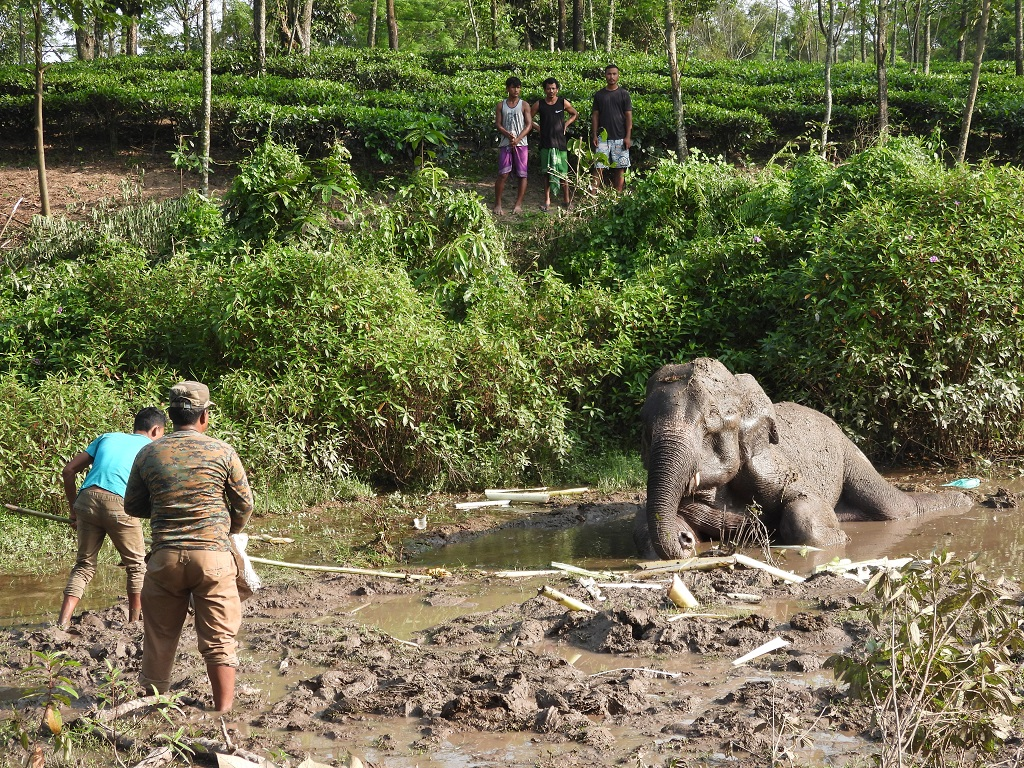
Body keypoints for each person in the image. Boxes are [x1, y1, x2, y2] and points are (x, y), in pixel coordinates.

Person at [125, 381, 253, 713]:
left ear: (170, 416)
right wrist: (228, 533)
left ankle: (154, 710)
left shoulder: (148, 453)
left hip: (165, 559)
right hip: (213, 558)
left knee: (159, 638)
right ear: (204, 416)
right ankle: (223, 713)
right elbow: (244, 505)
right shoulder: (223, 452)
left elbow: (132, 505)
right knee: (219, 640)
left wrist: (165, 507)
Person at [57, 408, 167, 630]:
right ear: (156, 430)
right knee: (136, 566)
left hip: (86, 499)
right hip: (119, 503)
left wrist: (74, 511)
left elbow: (68, 471)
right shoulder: (152, 448)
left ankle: (62, 623)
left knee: (84, 565)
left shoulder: (107, 437)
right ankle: (134, 623)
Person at [531, 77, 578, 211]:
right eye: (548, 88)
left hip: (560, 143)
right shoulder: (539, 104)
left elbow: (574, 114)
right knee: (546, 172)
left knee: (563, 172)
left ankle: (566, 201)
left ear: (557, 89)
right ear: (544, 90)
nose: (551, 91)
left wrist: (565, 125)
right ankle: (547, 201)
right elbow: (528, 117)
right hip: (546, 143)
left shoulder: (562, 102)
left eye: (553, 88)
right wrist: (538, 128)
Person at [590, 64, 633, 193]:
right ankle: (591, 196)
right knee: (598, 167)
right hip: (602, 139)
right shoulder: (599, 95)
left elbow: (628, 116)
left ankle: (617, 197)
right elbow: (595, 116)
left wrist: (628, 137)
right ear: (605, 75)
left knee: (620, 169)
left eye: (614, 74)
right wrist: (594, 135)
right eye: (609, 74)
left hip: (620, 138)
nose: (612, 77)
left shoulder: (624, 94)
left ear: (618, 75)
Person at [494, 76, 532, 215]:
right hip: (505, 143)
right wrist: (507, 134)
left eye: (518, 87)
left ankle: (518, 204)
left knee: (522, 175)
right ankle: (498, 204)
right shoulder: (501, 105)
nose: (516, 90)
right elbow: (498, 124)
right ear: (507, 89)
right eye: (513, 87)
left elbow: (528, 125)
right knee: (503, 174)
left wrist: (518, 139)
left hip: (521, 144)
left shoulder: (524, 105)